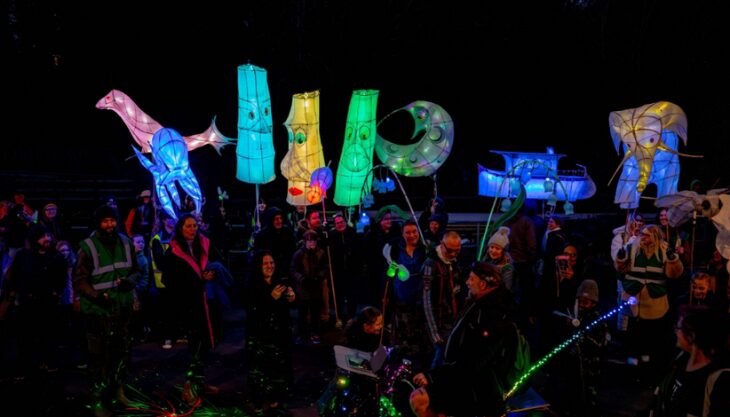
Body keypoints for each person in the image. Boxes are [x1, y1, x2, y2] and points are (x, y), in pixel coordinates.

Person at [410, 262, 518, 417]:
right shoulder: (478, 302)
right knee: (418, 399)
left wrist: (434, 376)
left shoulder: (493, 312)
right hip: (460, 377)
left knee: (419, 400)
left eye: (471, 279)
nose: (467, 282)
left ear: (482, 284)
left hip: (475, 388)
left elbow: (475, 360)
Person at [74, 205, 142, 417]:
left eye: (112, 221)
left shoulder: (126, 242)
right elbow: (80, 280)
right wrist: (96, 296)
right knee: (97, 357)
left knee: (121, 353)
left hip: (122, 308)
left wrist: (129, 282)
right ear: (98, 223)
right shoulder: (88, 247)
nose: (109, 225)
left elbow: (137, 271)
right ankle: (97, 399)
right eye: (105, 221)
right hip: (97, 310)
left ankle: (118, 391)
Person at [161, 214, 221, 406]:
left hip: (206, 302)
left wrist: (212, 272)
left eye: (195, 225)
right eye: (188, 226)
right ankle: (189, 388)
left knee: (203, 345)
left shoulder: (203, 244)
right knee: (194, 347)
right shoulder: (173, 251)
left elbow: (218, 262)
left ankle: (200, 383)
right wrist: (194, 281)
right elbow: (168, 280)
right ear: (181, 228)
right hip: (188, 305)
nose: (193, 229)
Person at [615, 224, 683, 378]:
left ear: (655, 236)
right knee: (633, 339)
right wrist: (620, 258)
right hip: (633, 301)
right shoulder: (632, 248)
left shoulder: (665, 250)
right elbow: (621, 270)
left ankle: (648, 370)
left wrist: (673, 260)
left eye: (646, 235)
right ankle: (631, 369)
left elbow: (675, 274)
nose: (643, 237)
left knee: (651, 339)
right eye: (642, 234)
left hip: (654, 303)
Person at [652, 306, 730, 417]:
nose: (675, 332)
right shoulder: (681, 359)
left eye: (678, 328)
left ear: (692, 335)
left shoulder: (720, 379)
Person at [246, 250, 296, 414]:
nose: (269, 266)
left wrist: (291, 297)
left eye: (272, 263)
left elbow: (287, 305)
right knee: (260, 370)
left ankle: (275, 400)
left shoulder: (280, 280)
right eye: (266, 263)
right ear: (259, 265)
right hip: (259, 334)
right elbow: (252, 309)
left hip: (279, 332)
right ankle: (258, 402)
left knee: (277, 368)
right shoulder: (252, 283)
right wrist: (270, 298)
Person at [422, 231, 463, 368]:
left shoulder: (455, 262)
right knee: (440, 357)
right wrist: (434, 332)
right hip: (439, 323)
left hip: (452, 319)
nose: (453, 254)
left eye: (457, 251)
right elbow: (426, 301)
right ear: (442, 244)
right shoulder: (431, 264)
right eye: (450, 250)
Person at [484, 226, 514, 291]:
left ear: (503, 251)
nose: (493, 251)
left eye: (497, 248)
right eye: (491, 247)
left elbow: (506, 289)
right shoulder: (487, 259)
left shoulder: (507, 268)